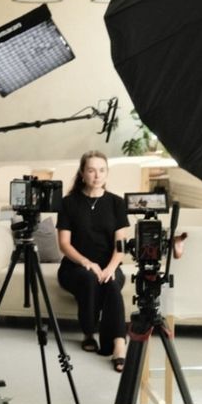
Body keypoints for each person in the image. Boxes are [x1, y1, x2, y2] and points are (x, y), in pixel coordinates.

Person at [56, 151, 130, 371]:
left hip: (110, 264)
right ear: (82, 173)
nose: (97, 175)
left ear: (107, 173)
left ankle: (118, 344)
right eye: (91, 170)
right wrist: (86, 262)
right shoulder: (69, 203)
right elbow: (64, 244)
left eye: (102, 170)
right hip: (75, 267)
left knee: (111, 282)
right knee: (89, 278)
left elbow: (121, 245)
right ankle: (89, 333)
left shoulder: (116, 203)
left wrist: (109, 268)